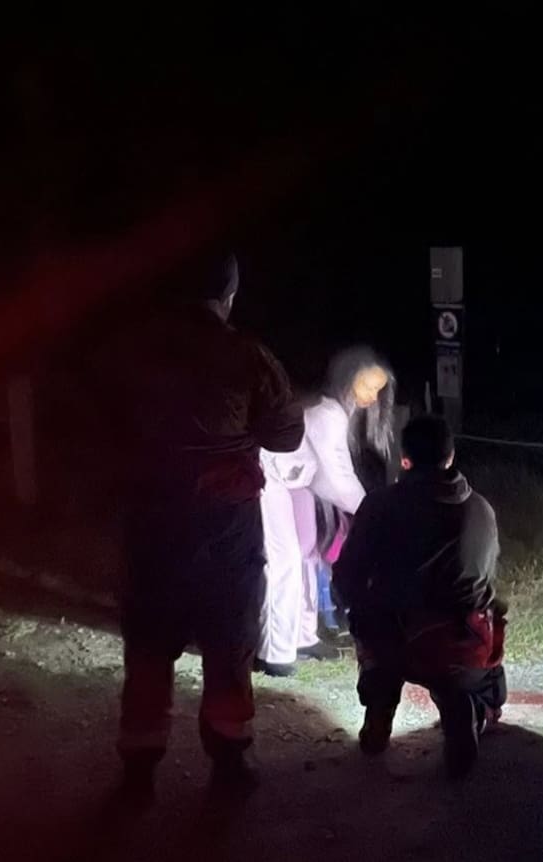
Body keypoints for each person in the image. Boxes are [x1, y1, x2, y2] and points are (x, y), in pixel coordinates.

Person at [113, 251, 306, 801]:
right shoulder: (247, 356)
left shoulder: (134, 352)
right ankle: (228, 766)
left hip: (151, 527)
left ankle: (138, 773)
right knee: (228, 648)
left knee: (149, 651)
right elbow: (287, 435)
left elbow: (99, 428)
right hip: (224, 532)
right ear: (228, 295)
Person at [332, 413, 506, 779]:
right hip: (462, 641)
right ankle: (465, 704)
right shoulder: (482, 509)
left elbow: (347, 575)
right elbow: (486, 581)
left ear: (404, 460)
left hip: (394, 638)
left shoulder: (380, 506)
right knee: (482, 625)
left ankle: (379, 704)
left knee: (371, 623)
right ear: (450, 457)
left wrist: (360, 610)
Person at [255, 345, 396, 676]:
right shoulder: (326, 414)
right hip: (272, 477)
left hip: (297, 480)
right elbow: (338, 477)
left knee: (308, 554)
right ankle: (274, 651)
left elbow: (324, 477)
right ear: (347, 379)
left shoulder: (336, 414)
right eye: (368, 387)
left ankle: (303, 636)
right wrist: (374, 514)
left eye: (378, 390)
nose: (373, 398)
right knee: (285, 559)